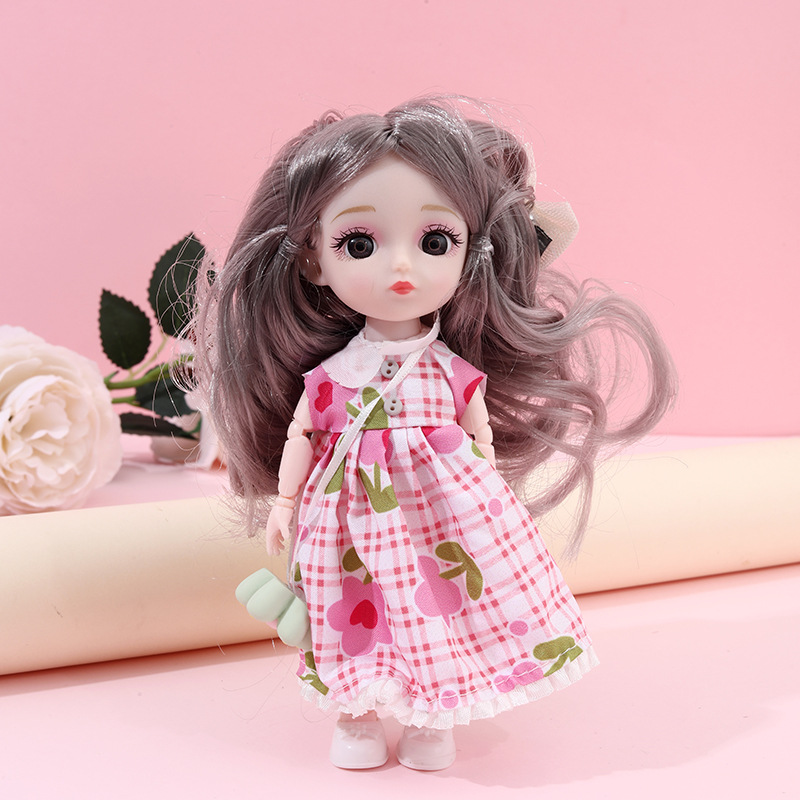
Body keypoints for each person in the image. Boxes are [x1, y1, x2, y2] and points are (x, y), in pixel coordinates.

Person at [196, 98, 676, 771]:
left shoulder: (448, 370)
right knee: (351, 604)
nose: (401, 268)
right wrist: (283, 503)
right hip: (350, 516)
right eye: (359, 244)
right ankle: (357, 711)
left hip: (442, 513)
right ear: (312, 260)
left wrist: (491, 500)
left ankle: (434, 709)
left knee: (444, 602)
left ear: (470, 254)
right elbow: (303, 433)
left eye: (434, 242)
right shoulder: (332, 377)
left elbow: (477, 437)